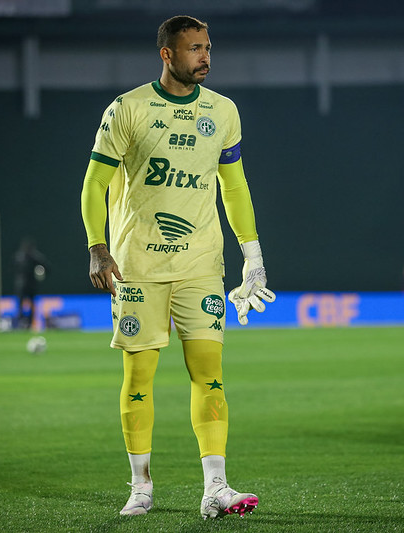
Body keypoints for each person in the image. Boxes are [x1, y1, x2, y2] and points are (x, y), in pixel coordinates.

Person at [79, 15, 275, 519]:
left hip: (201, 264)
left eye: (208, 47)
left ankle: (216, 488)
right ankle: (140, 486)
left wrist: (252, 255)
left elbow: (234, 185)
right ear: (167, 54)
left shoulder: (223, 111)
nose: (205, 57)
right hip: (137, 266)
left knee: (210, 374)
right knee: (139, 376)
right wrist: (98, 247)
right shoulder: (128, 109)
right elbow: (94, 183)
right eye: (194, 49)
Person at [14, 237, 48, 330]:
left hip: (22, 284)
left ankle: (22, 323)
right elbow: (46, 266)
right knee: (28, 304)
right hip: (29, 285)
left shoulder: (19, 257)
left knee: (22, 304)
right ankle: (27, 323)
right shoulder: (35, 257)